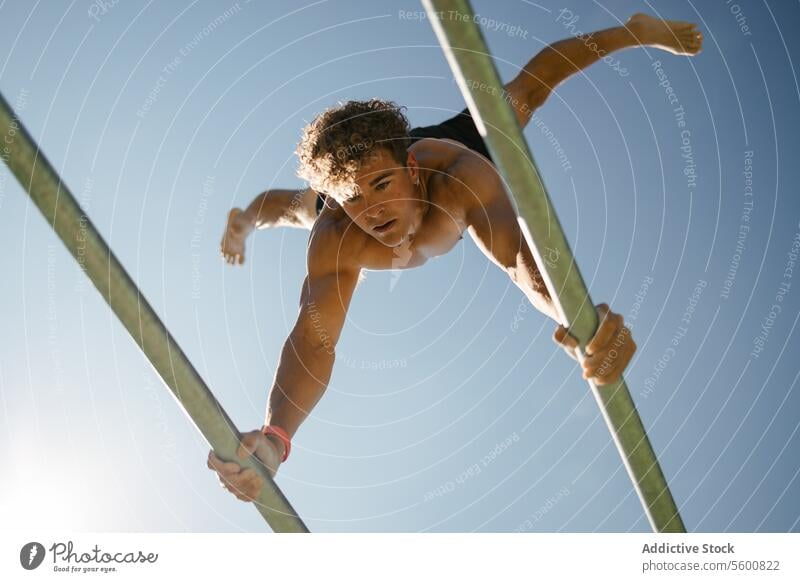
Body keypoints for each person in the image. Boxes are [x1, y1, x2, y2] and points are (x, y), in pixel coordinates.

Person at [208, 13, 703, 502]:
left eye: (382, 186)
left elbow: (516, 258)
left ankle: (635, 29)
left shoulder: (459, 175)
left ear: (411, 168)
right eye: (355, 199)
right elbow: (315, 342)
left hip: (449, 151)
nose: (374, 211)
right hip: (340, 191)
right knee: (294, 209)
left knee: (523, 96)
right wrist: (276, 439)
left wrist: (578, 319)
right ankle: (246, 218)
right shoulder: (338, 227)